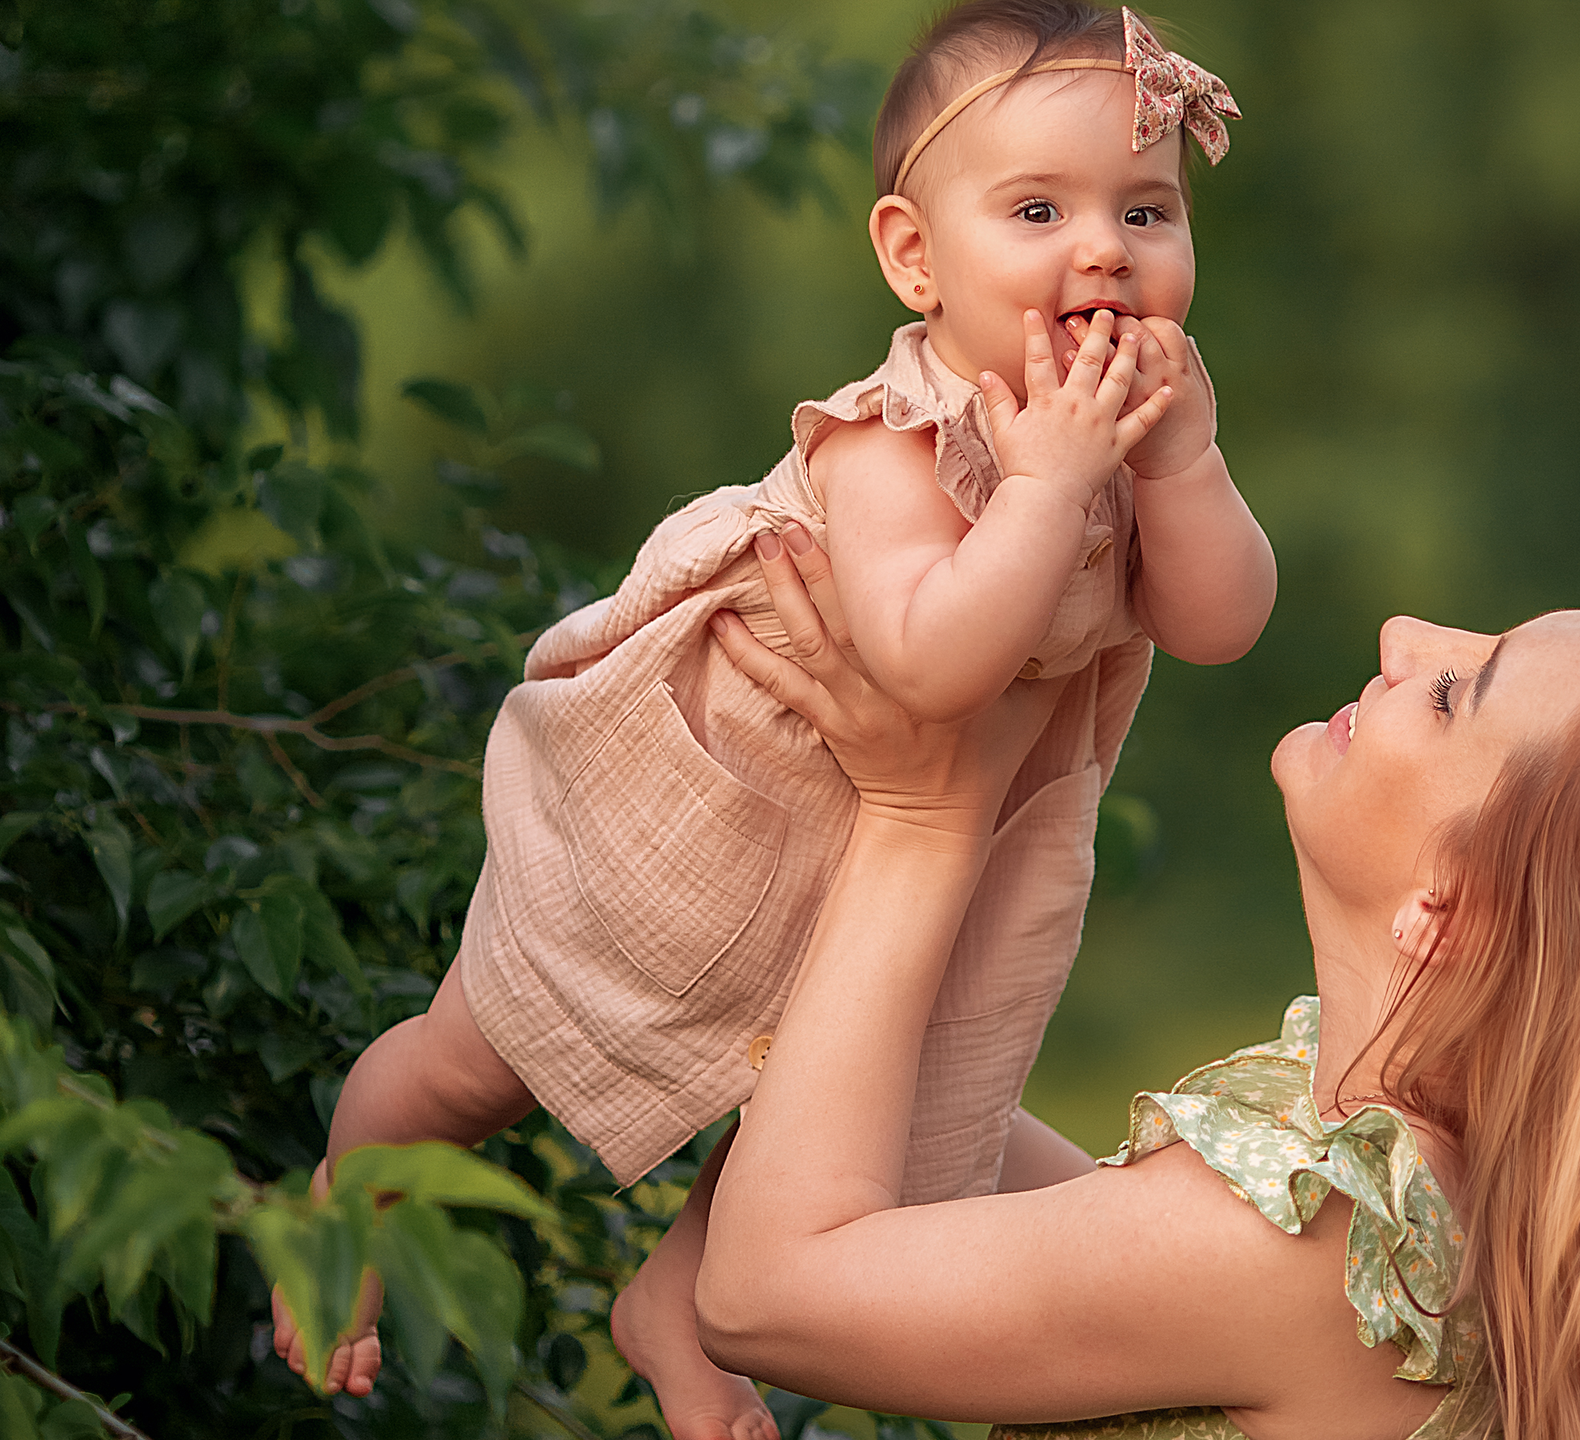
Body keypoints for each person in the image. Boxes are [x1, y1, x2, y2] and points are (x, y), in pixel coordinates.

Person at [273, 3, 1277, 1431]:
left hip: (917, 858)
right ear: (914, 257)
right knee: (478, 1055)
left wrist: (1187, 466)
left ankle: (679, 1320)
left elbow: (1223, 622)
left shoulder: (1133, 431)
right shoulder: (890, 438)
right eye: (1039, 208)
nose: (1105, 248)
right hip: (724, 807)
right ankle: (349, 1186)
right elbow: (929, 664)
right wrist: (1050, 493)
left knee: (862, 1105)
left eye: (1150, 209)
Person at [690, 535, 1580, 1440]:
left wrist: (922, 818)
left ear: (1449, 903)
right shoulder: (1428, 1237)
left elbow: (764, 1296)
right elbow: (983, 1196)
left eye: (1452, 693)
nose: (1400, 638)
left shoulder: (1315, 1253)